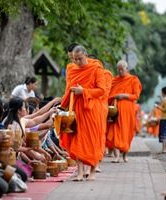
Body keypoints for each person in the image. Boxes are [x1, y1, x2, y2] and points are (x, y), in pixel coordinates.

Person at [60, 45, 106, 181]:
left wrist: (84, 91)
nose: (77, 62)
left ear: (86, 55)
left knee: (93, 140)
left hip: (92, 109)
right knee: (77, 139)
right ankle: (79, 172)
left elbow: (102, 90)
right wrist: (63, 106)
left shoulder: (96, 68)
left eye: (79, 59)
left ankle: (92, 172)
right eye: (75, 59)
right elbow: (68, 88)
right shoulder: (71, 69)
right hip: (77, 108)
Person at [106, 60, 142, 163]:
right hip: (116, 112)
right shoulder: (115, 80)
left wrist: (124, 95)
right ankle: (117, 156)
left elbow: (136, 96)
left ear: (127, 69)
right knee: (116, 132)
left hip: (128, 112)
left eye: (122, 69)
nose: (120, 71)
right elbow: (109, 94)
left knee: (127, 133)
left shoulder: (133, 80)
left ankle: (125, 155)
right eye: (118, 69)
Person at [156, 86, 166, 153]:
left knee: (163, 133)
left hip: (164, 118)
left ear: (163, 92)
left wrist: (158, 107)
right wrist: (161, 99)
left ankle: (164, 149)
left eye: (161, 91)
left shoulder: (165, 99)